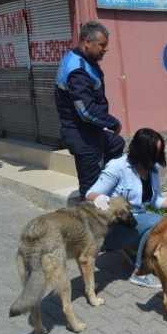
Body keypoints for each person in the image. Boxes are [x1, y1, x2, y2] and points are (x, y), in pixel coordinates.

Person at [87, 128, 167, 288]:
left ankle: (133, 249)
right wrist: (98, 198)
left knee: (157, 222)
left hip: (133, 222)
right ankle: (140, 273)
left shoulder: (152, 169)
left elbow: (156, 201)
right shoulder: (118, 166)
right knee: (159, 222)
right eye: (154, 152)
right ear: (142, 151)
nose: (157, 157)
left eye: (159, 151)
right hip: (112, 229)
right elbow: (91, 193)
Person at [55, 21, 125, 202]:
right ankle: (90, 220)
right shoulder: (78, 70)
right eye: (102, 45)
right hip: (82, 134)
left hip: (89, 131)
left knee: (116, 144)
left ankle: (107, 185)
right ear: (88, 42)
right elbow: (86, 111)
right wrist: (113, 122)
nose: (105, 49)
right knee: (90, 193)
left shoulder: (81, 60)